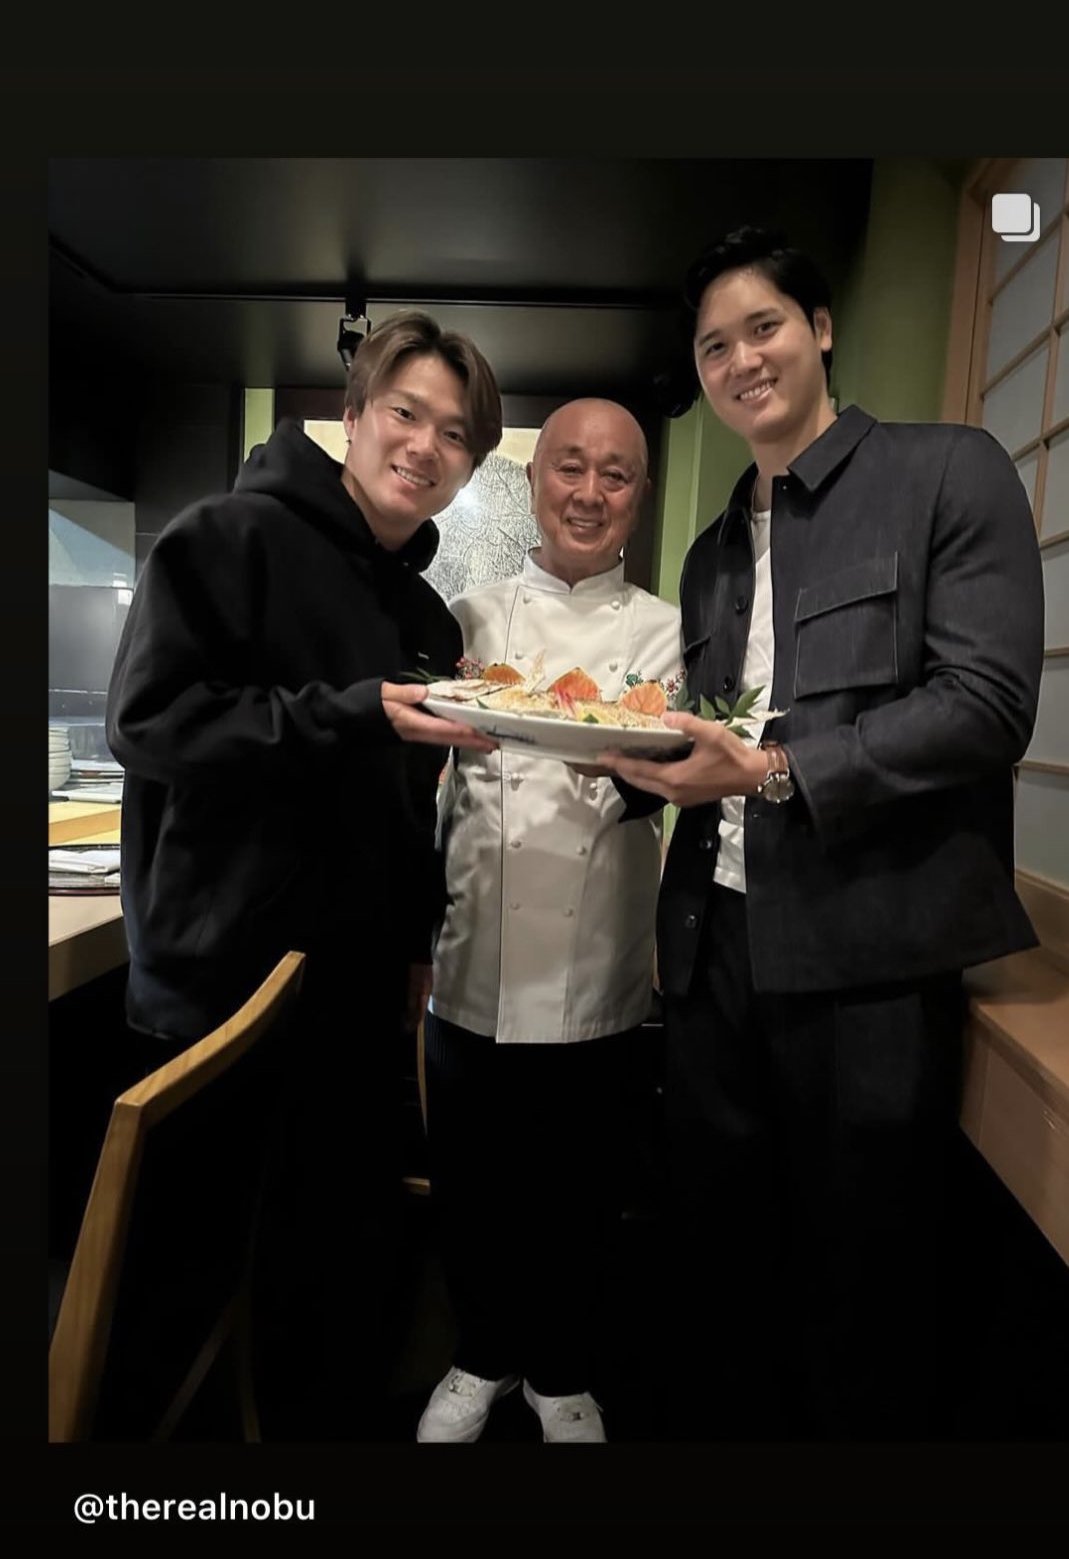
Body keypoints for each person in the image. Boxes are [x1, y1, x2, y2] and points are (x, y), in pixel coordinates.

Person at [597, 226, 1044, 1440]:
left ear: (821, 328)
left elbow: (987, 703)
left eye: (764, 327)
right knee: (719, 1264)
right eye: (714, 346)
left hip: (870, 959)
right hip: (711, 956)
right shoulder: (708, 554)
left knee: (864, 1281)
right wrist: (612, 756)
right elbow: (713, 740)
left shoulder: (946, 472)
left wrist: (779, 769)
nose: (741, 360)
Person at [106, 312, 502, 1435]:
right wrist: (349, 712)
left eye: (455, 435)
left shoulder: (422, 614)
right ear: (354, 414)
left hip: (355, 992)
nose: (424, 446)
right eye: (406, 413)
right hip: (221, 983)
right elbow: (148, 724)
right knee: (186, 1279)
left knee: (329, 1273)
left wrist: (418, 943)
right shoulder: (224, 535)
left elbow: (406, 803)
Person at [417, 399, 683, 1444]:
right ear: (533, 480)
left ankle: (562, 1371)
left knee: (581, 1189)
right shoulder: (466, 619)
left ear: (639, 496)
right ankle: (478, 1356)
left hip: (596, 959)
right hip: (472, 951)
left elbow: (676, 783)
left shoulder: (667, 630)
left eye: (615, 475)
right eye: (569, 467)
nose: (588, 492)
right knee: (471, 1182)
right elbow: (427, 782)